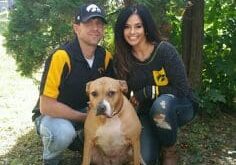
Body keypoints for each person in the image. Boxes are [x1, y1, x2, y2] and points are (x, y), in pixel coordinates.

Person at [114, 4, 197, 165]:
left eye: (138, 26)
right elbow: (124, 96)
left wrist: (147, 92)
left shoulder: (164, 50)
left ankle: (169, 149)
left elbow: (182, 89)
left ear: (146, 28)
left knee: (161, 107)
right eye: (127, 27)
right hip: (145, 113)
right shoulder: (121, 59)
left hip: (178, 105)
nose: (132, 32)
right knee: (146, 159)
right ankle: (158, 140)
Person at [32, 3, 114, 165]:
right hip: (53, 116)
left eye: (99, 23)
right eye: (89, 23)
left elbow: (110, 96)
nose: (95, 28)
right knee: (62, 133)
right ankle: (51, 159)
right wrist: (86, 118)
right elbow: (46, 106)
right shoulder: (61, 56)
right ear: (76, 28)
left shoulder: (105, 57)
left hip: (87, 112)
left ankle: (81, 141)